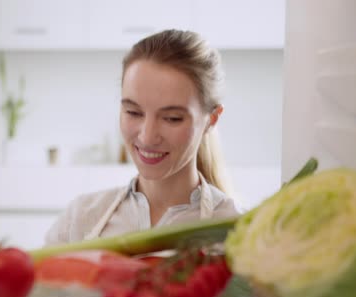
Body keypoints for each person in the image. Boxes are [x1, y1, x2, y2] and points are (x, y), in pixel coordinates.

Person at [45, 29, 241, 246]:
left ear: (211, 119)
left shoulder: (236, 233)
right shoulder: (80, 220)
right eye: (133, 112)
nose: (147, 137)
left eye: (172, 118)